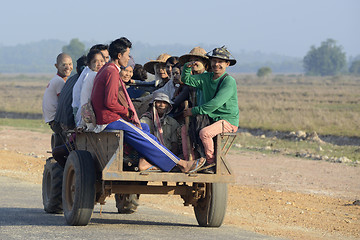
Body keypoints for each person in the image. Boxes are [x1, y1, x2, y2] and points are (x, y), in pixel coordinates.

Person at [91, 37, 205, 173]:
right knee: (146, 137)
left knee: (144, 128)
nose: (128, 59)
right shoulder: (112, 71)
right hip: (109, 119)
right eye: (127, 55)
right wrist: (127, 112)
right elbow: (110, 102)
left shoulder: (107, 69)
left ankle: (144, 162)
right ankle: (181, 164)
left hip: (107, 118)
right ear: (119, 55)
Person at [182, 46, 239, 173]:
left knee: (205, 133)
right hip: (210, 118)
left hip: (227, 121)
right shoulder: (206, 77)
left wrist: (194, 110)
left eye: (220, 62)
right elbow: (186, 79)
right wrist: (187, 67)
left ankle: (210, 163)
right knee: (185, 129)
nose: (216, 64)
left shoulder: (228, 81)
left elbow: (214, 104)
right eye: (214, 61)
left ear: (227, 64)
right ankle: (191, 160)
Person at [72, 44, 109, 118]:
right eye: (96, 60)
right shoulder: (92, 74)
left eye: (105, 58)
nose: (101, 63)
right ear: (89, 63)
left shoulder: (90, 72)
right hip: (84, 112)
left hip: (83, 111)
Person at [54, 55, 87, 131]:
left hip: (59, 120)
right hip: (68, 124)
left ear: (76, 69)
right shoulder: (84, 81)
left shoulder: (71, 79)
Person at [42, 53, 73, 133]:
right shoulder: (59, 81)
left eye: (70, 64)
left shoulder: (56, 79)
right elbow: (64, 103)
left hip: (52, 119)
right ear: (56, 66)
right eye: (64, 65)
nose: (68, 67)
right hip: (56, 120)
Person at [76, 49, 106, 129]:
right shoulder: (95, 75)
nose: (99, 64)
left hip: (85, 114)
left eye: (102, 61)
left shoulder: (88, 75)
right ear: (89, 65)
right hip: (90, 114)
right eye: (95, 61)